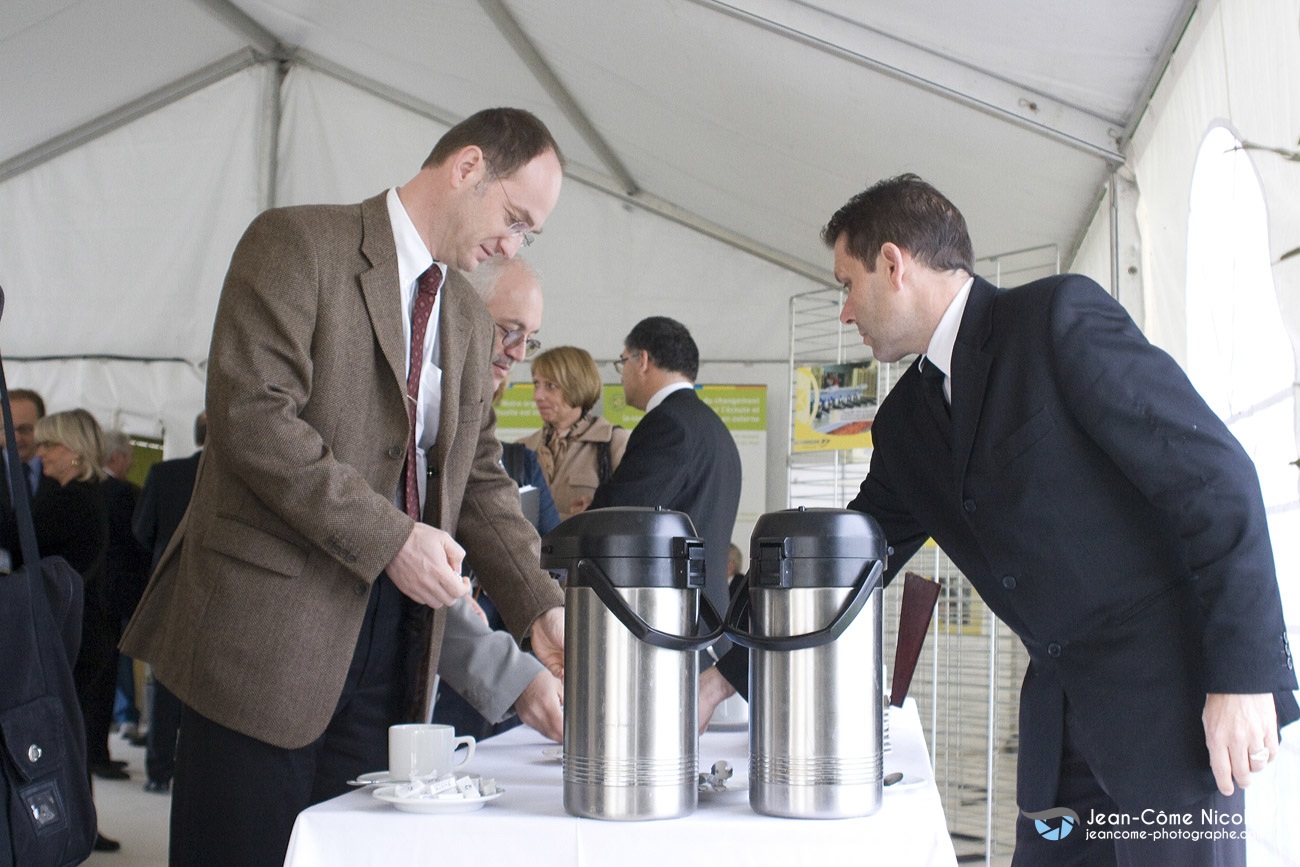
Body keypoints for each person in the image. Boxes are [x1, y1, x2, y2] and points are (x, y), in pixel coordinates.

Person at [120, 108, 568, 867]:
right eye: (515, 218)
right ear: (467, 168)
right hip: (265, 644)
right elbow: (253, 415)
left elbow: (480, 476)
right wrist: (392, 538)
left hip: (395, 653)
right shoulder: (297, 243)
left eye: (530, 234)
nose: (512, 245)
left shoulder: (465, 312)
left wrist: (539, 606)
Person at [820, 173, 1295, 865]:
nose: (844, 312)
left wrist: (1244, 677)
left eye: (846, 284)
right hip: (1056, 734)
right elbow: (849, 557)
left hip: (1171, 717)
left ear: (893, 264)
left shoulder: (1055, 319)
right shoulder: (903, 425)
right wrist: (725, 672)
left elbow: (1214, 480)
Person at [433, 255, 564, 742]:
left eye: (530, 338)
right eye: (510, 330)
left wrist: (546, 612)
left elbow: (486, 495)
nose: (518, 353)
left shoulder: (471, 405)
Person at [589, 316, 743, 699]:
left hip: (672, 631)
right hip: (707, 626)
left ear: (642, 360)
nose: (622, 375)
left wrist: (591, 509)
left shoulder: (667, 424)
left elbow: (619, 518)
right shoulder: (714, 428)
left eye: (622, 362)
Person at [1, 408, 120, 852]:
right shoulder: (78, 496)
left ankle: (65, 827)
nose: (42, 453)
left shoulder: (72, 501)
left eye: (50, 444)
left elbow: (16, 534)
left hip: (74, 636)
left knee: (65, 733)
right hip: (82, 631)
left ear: (74, 452)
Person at [131, 411, 207, 793]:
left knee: (166, 684)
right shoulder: (244, 477)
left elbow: (141, 531)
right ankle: (202, 774)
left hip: (173, 588)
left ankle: (159, 771)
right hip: (225, 595)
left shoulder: (165, 474)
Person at [93, 429, 150, 779]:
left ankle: (99, 749)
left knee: (103, 675)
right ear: (117, 458)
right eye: (128, 457)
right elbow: (138, 542)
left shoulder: (91, 488)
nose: (129, 462)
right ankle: (99, 752)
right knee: (108, 672)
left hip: (97, 595)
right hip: (117, 596)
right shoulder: (124, 494)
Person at [520, 345, 629, 520]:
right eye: (536, 384)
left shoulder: (614, 443)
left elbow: (629, 518)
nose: (537, 396)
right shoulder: (521, 448)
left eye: (551, 386)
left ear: (577, 386)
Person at [0, 388, 57, 571]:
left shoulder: (60, 472)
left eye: (25, 429)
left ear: (42, 427)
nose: (16, 437)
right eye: (7, 429)